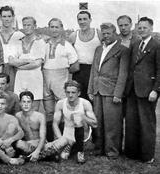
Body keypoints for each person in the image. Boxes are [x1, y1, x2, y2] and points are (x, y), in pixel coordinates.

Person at [87, 23, 129, 159]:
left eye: (108, 33)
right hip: (97, 90)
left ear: (114, 33)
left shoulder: (122, 50)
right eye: (104, 34)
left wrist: (118, 93)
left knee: (112, 123)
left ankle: (112, 151)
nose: (106, 36)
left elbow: (123, 74)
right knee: (97, 121)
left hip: (112, 92)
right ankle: (99, 149)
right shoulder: (98, 49)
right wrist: (90, 89)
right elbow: (94, 70)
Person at [125, 17, 160, 164]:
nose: (141, 30)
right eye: (139, 27)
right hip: (132, 89)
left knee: (147, 123)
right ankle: (132, 153)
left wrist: (156, 90)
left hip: (148, 91)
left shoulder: (157, 45)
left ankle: (147, 156)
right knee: (132, 122)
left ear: (151, 29)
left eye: (144, 28)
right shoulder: (135, 44)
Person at [43, 18, 78, 141]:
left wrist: (64, 73)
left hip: (60, 79)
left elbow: (75, 65)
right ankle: (50, 141)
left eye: (56, 27)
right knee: (49, 112)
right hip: (46, 79)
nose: (54, 30)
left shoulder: (66, 45)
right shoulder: (45, 44)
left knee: (63, 111)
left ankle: (65, 140)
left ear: (61, 28)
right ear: (48, 28)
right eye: (51, 27)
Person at [15, 91, 72, 162]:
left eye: (28, 102)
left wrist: (37, 151)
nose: (26, 104)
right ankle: (48, 156)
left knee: (64, 140)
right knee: (19, 143)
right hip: (29, 145)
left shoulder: (39, 116)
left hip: (42, 145)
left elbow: (43, 137)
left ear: (32, 103)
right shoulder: (17, 116)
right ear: (20, 103)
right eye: (24, 102)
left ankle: (32, 157)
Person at [53, 80, 97, 164]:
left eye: (73, 92)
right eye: (68, 92)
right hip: (67, 132)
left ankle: (80, 152)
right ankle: (69, 146)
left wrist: (83, 117)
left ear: (79, 93)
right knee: (63, 156)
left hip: (82, 132)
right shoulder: (60, 103)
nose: (70, 95)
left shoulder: (85, 103)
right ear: (65, 92)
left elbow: (95, 124)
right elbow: (55, 124)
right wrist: (60, 139)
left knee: (78, 121)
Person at [8, 16, 46, 113]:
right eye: (24, 25)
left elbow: (37, 63)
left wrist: (19, 65)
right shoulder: (17, 42)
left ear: (34, 26)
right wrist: (28, 60)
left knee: (34, 109)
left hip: (34, 78)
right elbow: (11, 61)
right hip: (20, 78)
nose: (26, 27)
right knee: (20, 108)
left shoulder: (40, 42)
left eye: (29, 25)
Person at [68, 11, 102, 101]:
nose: (82, 22)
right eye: (80, 19)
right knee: (79, 101)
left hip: (95, 70)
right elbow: (67, 53)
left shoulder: (98, 33)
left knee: (95, 100)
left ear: (90, 20)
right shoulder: (73, 35)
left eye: (85, 19)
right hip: (79, 72)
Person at [0, 6, 25, 91]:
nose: (7, 19)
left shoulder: (20, 35)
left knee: (11, 94)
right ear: (0, 18)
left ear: (13, 18)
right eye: (4, 16)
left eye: (9, 16)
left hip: (13, 69)